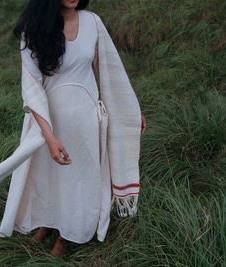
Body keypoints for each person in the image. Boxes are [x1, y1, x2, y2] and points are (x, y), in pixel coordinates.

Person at [12, 0, 147, 257]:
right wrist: (49, 136)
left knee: (79, 181)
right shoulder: (34, 28)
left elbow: (112, 71)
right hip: (47, 123)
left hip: (85, 122)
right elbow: (31, 86)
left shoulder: (92, 22)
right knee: (46, 178)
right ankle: (46, 223)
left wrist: (131, 111)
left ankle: (66, 236)